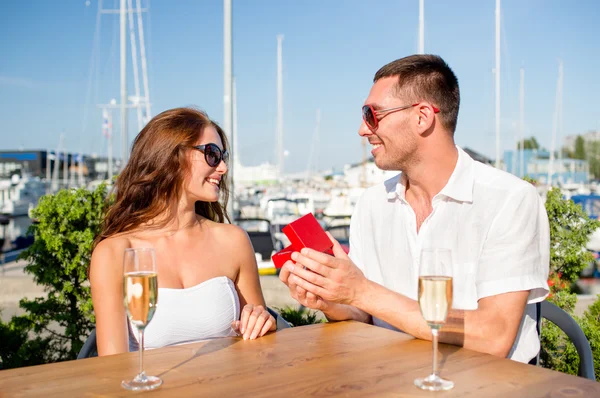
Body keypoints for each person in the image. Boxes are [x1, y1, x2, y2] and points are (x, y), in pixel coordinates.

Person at [280, 54, 549, 363]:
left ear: (422, 116)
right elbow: (365, 315)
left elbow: (493, 335)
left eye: (371, 114)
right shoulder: (372, 204)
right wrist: (331, 298)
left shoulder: (510, 200)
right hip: (393, 378)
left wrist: (361, 291)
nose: (362, 130)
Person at [90, 107, 275, 356]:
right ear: (170, 156)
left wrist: (263, 321)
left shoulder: (233, 241)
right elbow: (112, 369)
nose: (223, 168)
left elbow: (259, 342)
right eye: (212, 154)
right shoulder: (115, 253)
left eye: (223, 157)